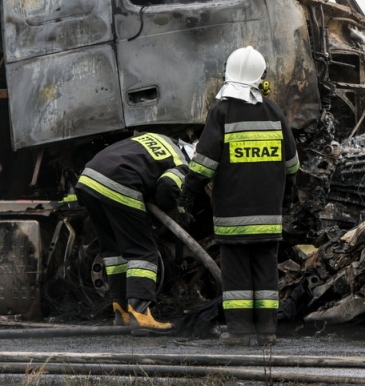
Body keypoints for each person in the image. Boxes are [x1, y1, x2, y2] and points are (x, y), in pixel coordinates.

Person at [177, 46, 299, 347]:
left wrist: (186, 198)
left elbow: (204, 164)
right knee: (266, 277)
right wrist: (285, 202)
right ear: (262, 77)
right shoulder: (274, 112)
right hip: (269, 218)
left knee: (238, 280)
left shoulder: (222, 113)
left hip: (233, 217)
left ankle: (240, 332)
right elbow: (292, 165)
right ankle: (268, 332)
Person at [75, 132, 189, 333]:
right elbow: (168, 187)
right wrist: (177, 212)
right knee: (143, 252)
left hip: (88, 179)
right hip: (119, 181)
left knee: (114, 253)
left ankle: (121, 311)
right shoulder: (183, 162)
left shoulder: (160, 139)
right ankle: (140, 314)